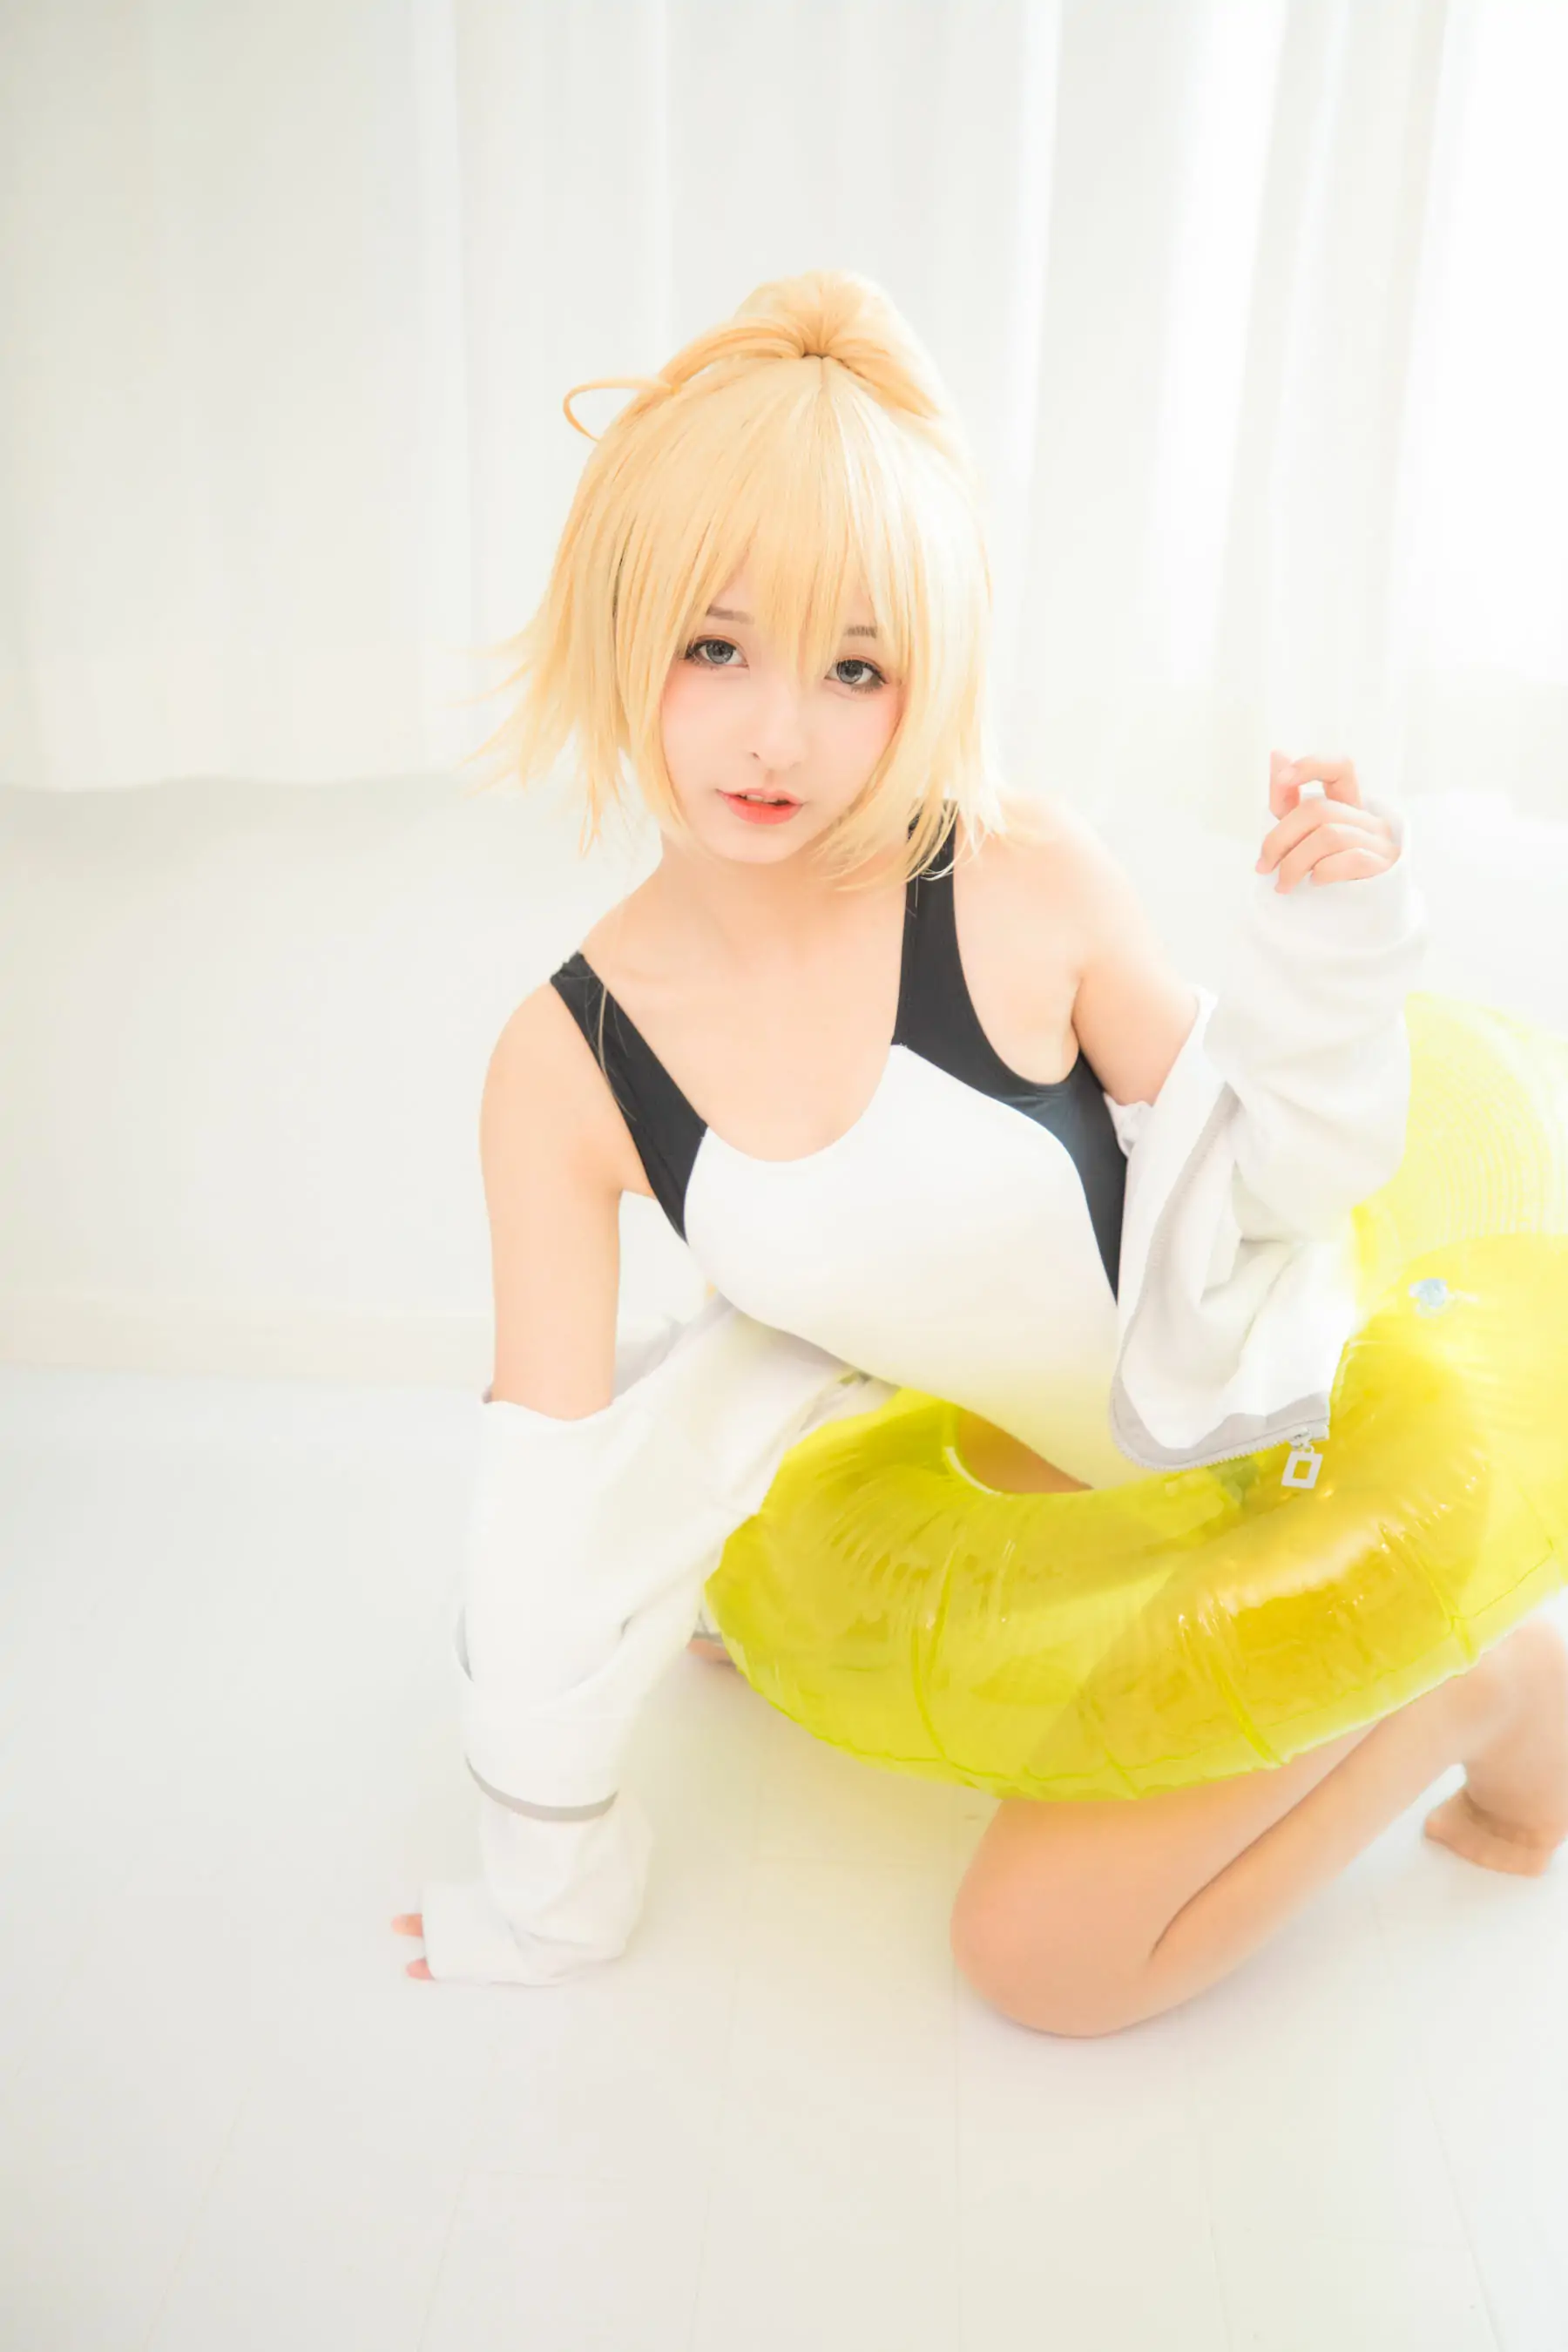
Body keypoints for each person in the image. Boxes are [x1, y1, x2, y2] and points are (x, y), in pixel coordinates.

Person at [394, 268, 1568, 2031]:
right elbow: (548, 1502)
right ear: (622, 622)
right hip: (1049, 1459)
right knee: (725, 1579)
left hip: (1274, 1451)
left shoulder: (1012, 881)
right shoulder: (563, 1068)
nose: (778, 733)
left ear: (924, 675)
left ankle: (1483, 1687)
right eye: (715, 645)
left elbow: (1272, 1175)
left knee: (1040, 1967)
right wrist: (547, 1888)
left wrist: (1333, 948)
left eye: (854, 666)